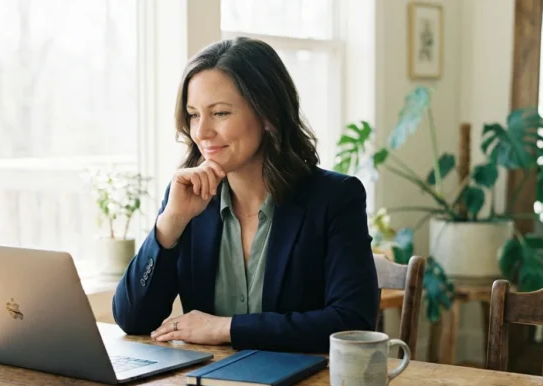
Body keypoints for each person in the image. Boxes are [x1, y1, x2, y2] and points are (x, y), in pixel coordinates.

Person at [112, 37, 379, 353]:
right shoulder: (187, 199)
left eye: (220, 113)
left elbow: (352, 322)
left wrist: (224, 328)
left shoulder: (334, 198)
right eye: (194, 114)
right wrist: (171, 223)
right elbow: (133, 319)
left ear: (268, 115)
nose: (202, 132)